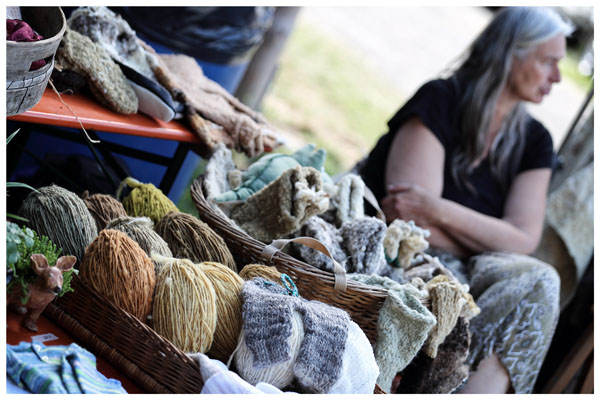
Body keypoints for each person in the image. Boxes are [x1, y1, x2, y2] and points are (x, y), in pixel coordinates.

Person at [358, 7, 574, 394]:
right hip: (401, 259)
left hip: (470, 270)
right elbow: (410, 227)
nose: (557, 77)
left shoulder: (535, 141)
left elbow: (524, 239)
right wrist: (491, 236)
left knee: (541, 280)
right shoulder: (441, 100)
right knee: (484, 285)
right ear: (510, 54)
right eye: (548, 62)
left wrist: (438, 208)